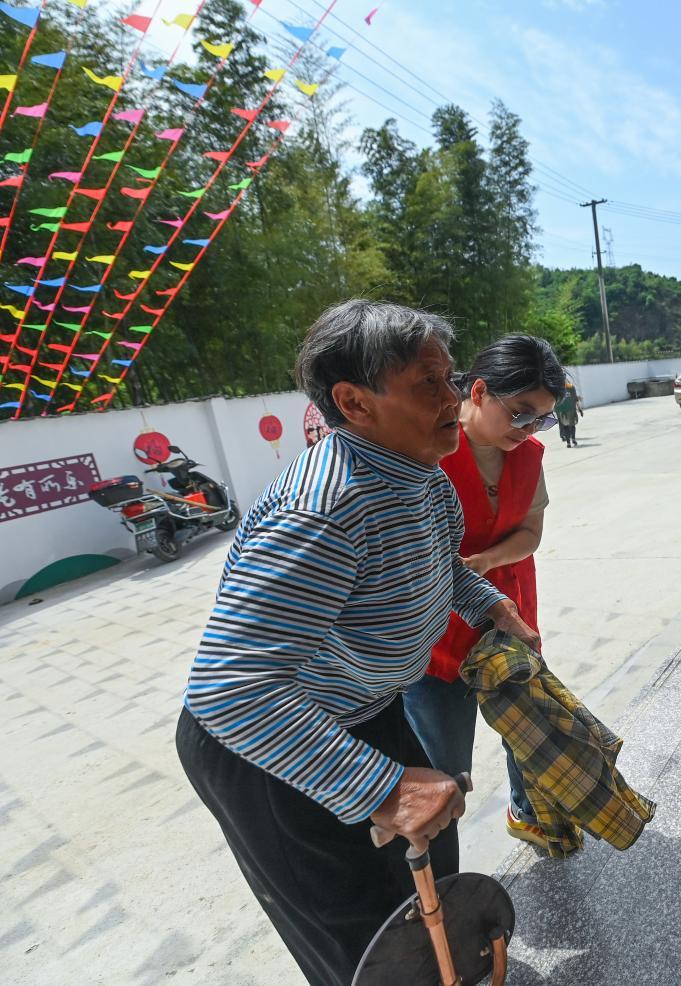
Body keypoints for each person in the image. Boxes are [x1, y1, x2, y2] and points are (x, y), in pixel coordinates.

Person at [175, 301, 539, 986]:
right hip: (266, 743)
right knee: (366, 939)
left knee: (431, 879)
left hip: (364, 708)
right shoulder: (326, 509)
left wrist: (488, 603)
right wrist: (378, 787)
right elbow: (229, 689)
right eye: (428, 385)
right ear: (354, 402)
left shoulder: (420, 473)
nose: (453, 399)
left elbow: (435, 561)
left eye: (451, 379)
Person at [404, 336, 565, 849]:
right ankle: (436, 868)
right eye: (520, 413)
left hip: (510, 613)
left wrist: (487, 562)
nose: (529, 429)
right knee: (443, 767)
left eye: (541, 419)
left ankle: (526, 811)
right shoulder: (425, 453)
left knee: (527, 729)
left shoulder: (529, 455)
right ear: (477, 391)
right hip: (437, 634)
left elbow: (531, 533)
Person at [555, 379, 583, 448]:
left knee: (565, 426)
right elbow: (575, 399)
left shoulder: (556, 388)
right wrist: (579, 409)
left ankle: (568, 443)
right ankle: (573, 438)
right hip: (570, 409)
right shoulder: (571, 387)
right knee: (572, 425)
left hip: (561, 410)